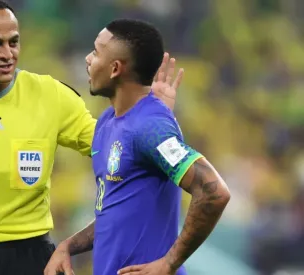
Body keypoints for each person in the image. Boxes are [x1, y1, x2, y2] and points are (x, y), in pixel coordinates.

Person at [0, 0, 181, 274]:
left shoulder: (50, 95)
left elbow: (120, 148)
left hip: (32, 256)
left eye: (14, 42)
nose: (7, 54)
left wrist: (153, 115)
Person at [44, 19, 231, 275]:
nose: (88, 59)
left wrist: (169, 263)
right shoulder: (108, 123)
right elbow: (113, 214)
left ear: (115, 69)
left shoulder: (149, 127)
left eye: (96, 52)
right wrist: (68, 246)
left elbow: (214, 192)